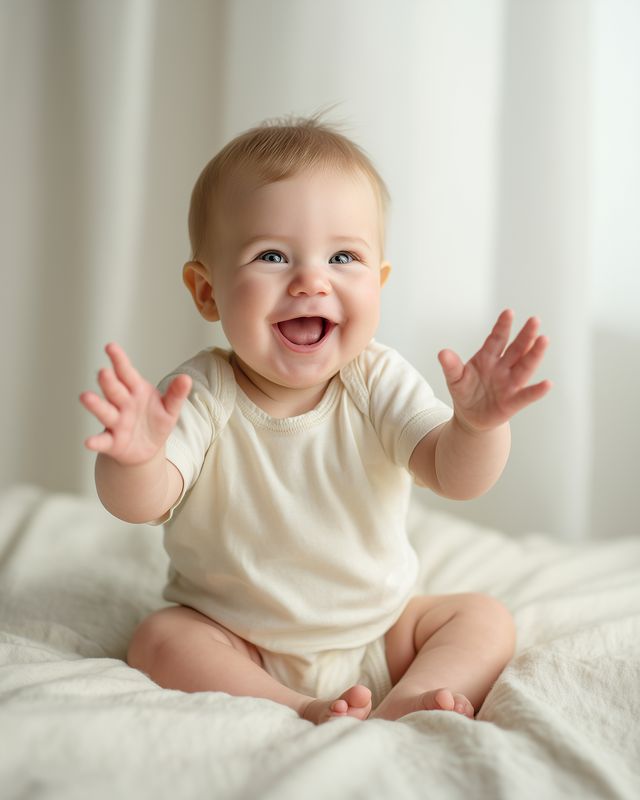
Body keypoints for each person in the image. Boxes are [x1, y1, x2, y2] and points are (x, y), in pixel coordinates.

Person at [79, 114, 551, 724]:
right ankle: (299, 707)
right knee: (160, 638)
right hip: (237, 639)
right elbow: (141, 503)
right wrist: (137, 459)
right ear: (207, 291)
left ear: (378, 282)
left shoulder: (375, 379)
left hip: (380, 631)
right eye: (272, 255)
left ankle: (413, 696)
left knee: (484, 618)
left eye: (343, 256)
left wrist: (478, 428)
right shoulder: (200, 393)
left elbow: (453, 476)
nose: (310, 281)